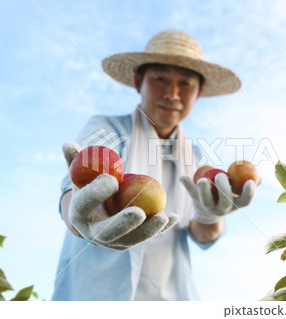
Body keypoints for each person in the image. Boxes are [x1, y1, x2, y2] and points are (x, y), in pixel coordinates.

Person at [52, 30, 257, 301]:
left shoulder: (196, 160)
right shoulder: (107, 128)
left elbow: (203, 235)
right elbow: (73, 189)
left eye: (185, 83)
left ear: (199, 93)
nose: (172, 93)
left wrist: (210, 216)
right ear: (139, 82)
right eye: (161, 78)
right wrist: (80, 217)